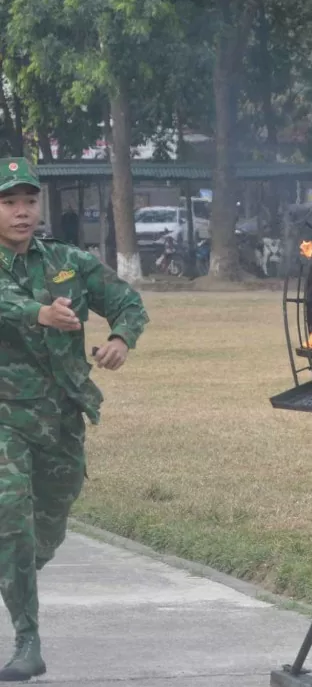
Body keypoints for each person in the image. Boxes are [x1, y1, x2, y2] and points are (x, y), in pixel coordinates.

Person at [0, 157, 149, 680]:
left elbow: (128, 302)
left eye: (29, 201)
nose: (22, 212)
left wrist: (120, 338)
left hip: (61, 417)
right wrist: (38, 312)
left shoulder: (67, 261)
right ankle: (28, 640)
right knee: (11, 517)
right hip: (5, 418)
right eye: (9, 202)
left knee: (47, 528)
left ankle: (14, 571)